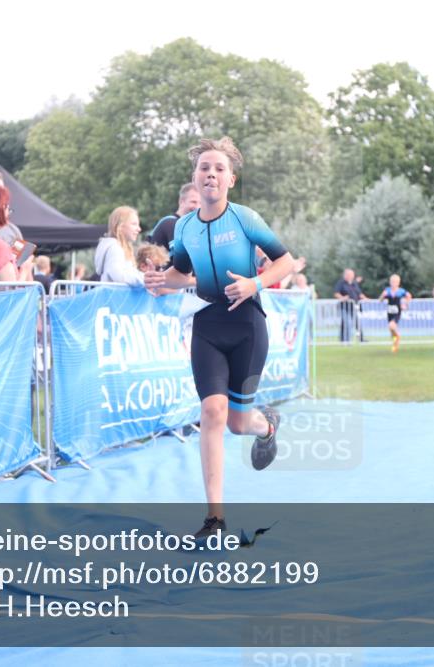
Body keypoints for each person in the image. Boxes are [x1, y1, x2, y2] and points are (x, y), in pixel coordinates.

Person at [144, 136, 295, 539]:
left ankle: (265, 427)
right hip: (207, 326)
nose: (211, 173)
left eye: (219, 168)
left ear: (231, 179)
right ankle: (215, 518)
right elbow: (180, 272)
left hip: (246, 325)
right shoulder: (186, 227)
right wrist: (162, 280)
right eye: (204, 168)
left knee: (238, 423)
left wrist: (255, 283)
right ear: (195, 179)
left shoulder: (245, 218)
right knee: (212, 413)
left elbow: (285, 262)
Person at [94, 206, 145, 286]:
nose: (139, 229)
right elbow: (119, 276)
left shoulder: (118, 247)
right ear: (120, 226)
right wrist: (145, 279)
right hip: (114, 297)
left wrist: (146, 277)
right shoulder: (114, 248)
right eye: (134, 224)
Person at [149, 183, 202, 253]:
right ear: (181, 202)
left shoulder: (187, 226)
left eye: (201, 203)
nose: (198, 207)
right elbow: (180, 258)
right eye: (193, 202)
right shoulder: (171, 223)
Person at [379, 274, 412, 353]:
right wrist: (382, 296)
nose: (393, 283)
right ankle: (395, 344)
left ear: (398, 283)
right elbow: (380, 300)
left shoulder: (401, 291)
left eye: (395, 282)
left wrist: (405, 304)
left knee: (392, 326)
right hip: (389, 312)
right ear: (390, 282)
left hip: (397, 312)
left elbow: (409, 296)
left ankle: (397, 337)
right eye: (392, 281)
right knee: (391, 329)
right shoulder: (387, 290)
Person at [334, 269, 366, 343]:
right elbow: (336, 293)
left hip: (354, 307)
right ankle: (346, 340)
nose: (350, 276)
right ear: (345, 275)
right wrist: (342, 298)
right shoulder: (341, 283)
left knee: (357, 323)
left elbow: (359, 293)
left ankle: (361, 339)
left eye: (352, 275)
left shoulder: (354, 283)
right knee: (347, 322)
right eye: (349, 275)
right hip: (344, 307)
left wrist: (366, 298)